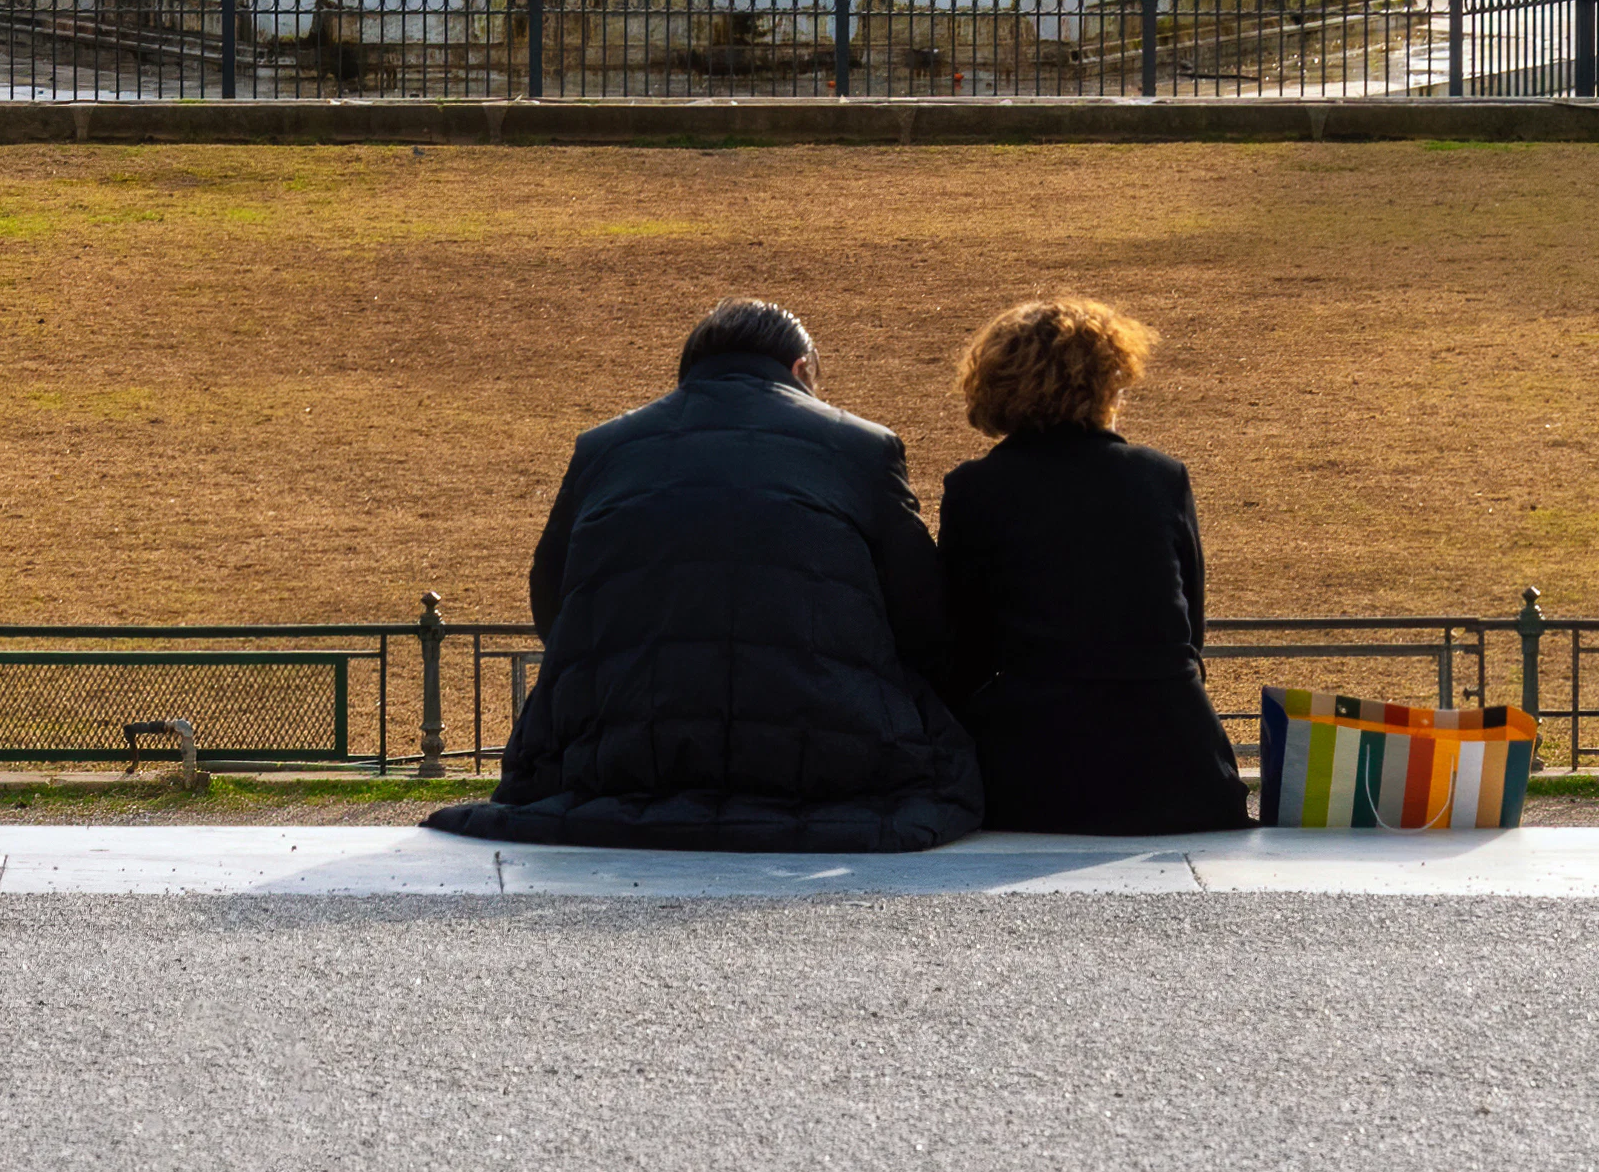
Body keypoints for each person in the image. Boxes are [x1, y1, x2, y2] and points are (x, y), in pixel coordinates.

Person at [428, 297, 982, 852]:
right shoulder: (863, 447)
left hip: (618, 752)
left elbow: (552, 601)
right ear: (799, 369)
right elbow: (922, 620)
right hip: (828, 753)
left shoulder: (603, 447)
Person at [937, 295, 1248, 836]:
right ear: (1107, 382)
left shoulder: (975, 489)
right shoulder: (1160, 477)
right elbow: (1187, 631)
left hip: (1035, 772)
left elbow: (964, 645)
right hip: (1177, 765)